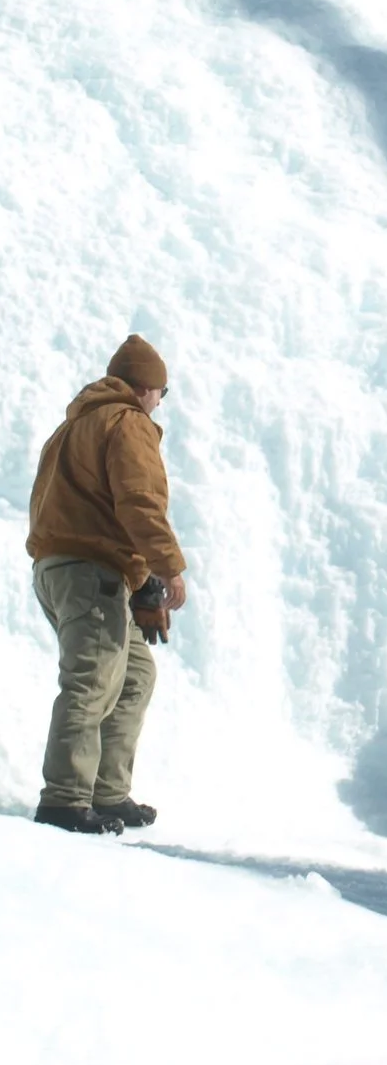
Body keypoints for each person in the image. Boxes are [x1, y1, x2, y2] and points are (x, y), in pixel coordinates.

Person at [25, 335, 189, 835]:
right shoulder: (128, 422)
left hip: (61, 570)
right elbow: (138, 502)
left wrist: (138, 588)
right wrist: (168, 568)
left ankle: (107, 793)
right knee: (92, 680)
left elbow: (86, 508)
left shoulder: (72, 427)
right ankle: (65, 801)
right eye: (163, 391)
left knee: (134, 675)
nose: (162, 401)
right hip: (89, 572)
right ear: (145, 387)